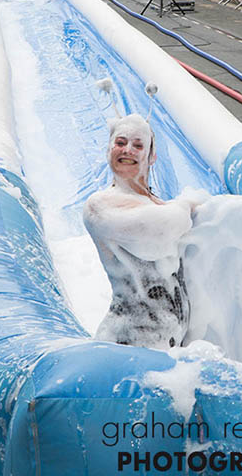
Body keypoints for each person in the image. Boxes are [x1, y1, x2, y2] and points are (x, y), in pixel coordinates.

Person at [83, 113, 194, 349]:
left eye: (138, 145)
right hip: (129, 339)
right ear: (109, 150)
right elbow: (161, 232)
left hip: (167, 341)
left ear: (151, 156)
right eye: (120, 143)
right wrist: (188, 205)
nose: (128, 150)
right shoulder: (100, 205)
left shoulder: (157, 204)